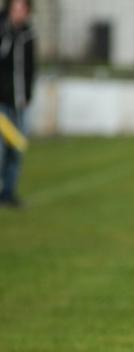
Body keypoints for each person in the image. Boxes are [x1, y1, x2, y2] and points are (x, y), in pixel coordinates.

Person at [0, 0, 35, 209]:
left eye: (23, 9)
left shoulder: (29, 35)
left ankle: (9, 193)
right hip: (1, 103)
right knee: (0, 151)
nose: (20, 13)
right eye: (16, 8)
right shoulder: (3, 31)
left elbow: (31, 68)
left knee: (17, 149)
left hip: (19, 102)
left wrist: (28, 94)